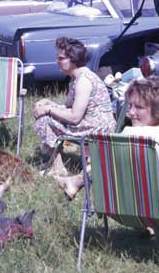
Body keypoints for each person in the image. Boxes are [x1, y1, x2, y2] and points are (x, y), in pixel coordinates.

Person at [55, 76, 159, 202]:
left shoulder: (130, 135)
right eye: (130, 106)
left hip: (122, 205)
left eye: (138, 107)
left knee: (104, 159)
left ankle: (76, 181)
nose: (130, 113)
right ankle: (75, 181)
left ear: (157, 107)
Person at [33, 38, 115, 176]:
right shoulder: (77, 77)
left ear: (73, 60)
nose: (57, 61)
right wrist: (49, 103)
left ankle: (57, 167)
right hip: (91, 122)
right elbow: (68, 108)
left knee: (44, 120)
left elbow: (74, 117)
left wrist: (48, 110)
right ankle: (56, 164)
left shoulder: (84, 80)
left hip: (97, 128)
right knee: (46, 115)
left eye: (61, 58)